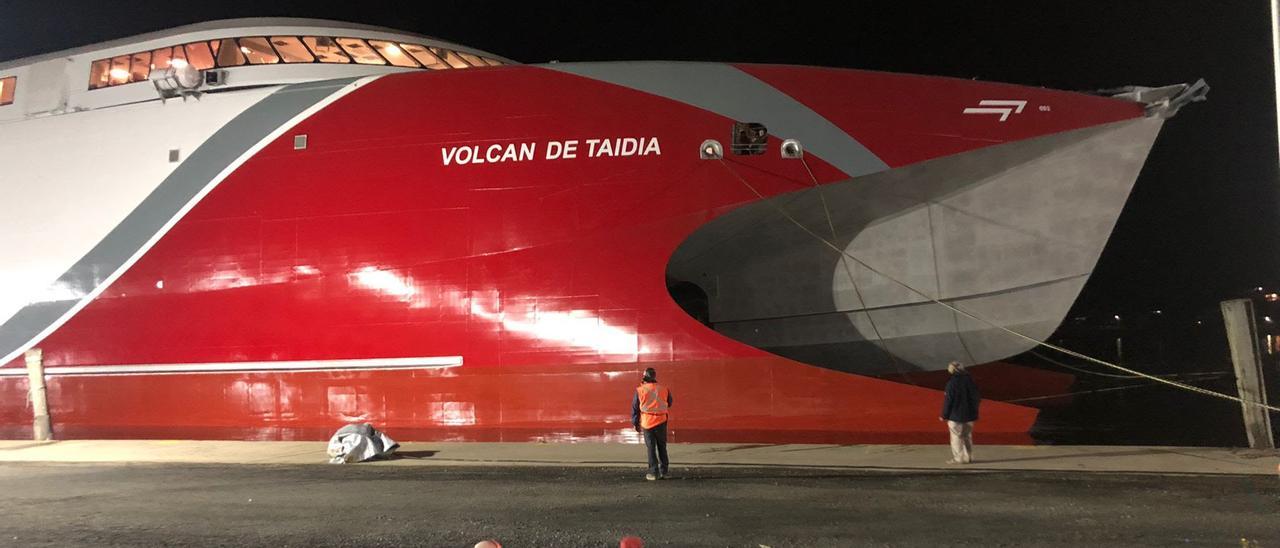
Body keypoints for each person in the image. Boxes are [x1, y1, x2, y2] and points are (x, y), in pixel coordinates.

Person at [632, 367, 673, 480]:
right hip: (661, 421)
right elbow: (669, 403)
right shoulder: (664, 389)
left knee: (651, 448)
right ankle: (664, 472)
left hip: (647, 422)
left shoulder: (640, 390)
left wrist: (635, 423)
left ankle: (653, 473)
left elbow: (635, 408)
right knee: (662, 447)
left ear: (644, 378)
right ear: (654, 377)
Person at [939, 360, 980, 464]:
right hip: (969, 415)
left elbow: (949, 401)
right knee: (967, 436)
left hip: (955, 415)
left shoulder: (951, 383)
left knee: (956, 437)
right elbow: (976, 398)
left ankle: (959, 458)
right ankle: (969, 457)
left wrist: (944, 415)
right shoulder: (970, 381)